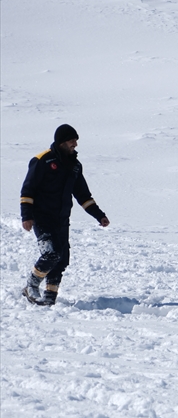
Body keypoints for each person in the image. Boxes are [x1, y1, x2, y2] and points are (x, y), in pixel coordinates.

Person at [20, 124, 110, 306]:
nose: (75, 144)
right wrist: (26, 216)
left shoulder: (75, 166)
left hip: (62, 220)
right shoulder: (42, 161)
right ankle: (30, 286)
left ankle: (50, 296)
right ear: (61, 142)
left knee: (61, 259)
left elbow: (83, 196)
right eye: (71, 141)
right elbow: (28, 189)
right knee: (51, 253)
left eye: (75, 141)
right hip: (42, 217)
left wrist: (99, 215)